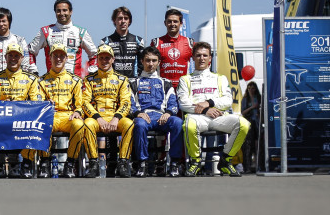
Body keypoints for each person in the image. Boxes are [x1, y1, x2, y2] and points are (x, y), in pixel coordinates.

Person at [176, 42, 250, 177]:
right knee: (188, 125)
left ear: (210, 58)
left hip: (219, 116)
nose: (201, 58)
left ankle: (226, 160)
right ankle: (195, 162)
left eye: (205, 55)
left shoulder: (220, 78)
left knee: (244, 124)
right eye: (198, 55)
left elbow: (227, 101)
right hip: (197, 117)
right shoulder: (185, 79)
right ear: (193, 58)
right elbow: (183, 103)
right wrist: (205, 110)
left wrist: (209, 103)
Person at [0, 43, 42, 178]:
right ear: (5, 57)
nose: (13, 59)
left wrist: (19, 106)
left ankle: (26, 164)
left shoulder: (31, 79)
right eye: (10, 55)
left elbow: (36, 103)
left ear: (22, 58)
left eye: (17, 56)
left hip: (23, 119)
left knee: (36, 127)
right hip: (1, 118)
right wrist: (3, 105)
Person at [36, 44, 92, 178]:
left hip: (68, 117)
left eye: (62, 56)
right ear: (50, 58)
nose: (58, 59)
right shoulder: (41, 81)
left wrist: (77, 112)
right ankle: (45, 162)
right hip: (50, 116)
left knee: (79, 125)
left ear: (66, 58)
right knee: (42, 124)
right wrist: (45, 105)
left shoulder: (75, 80)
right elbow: (38, 103)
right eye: (55, 55)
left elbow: (80, 104)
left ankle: (70, 163)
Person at [130, 46, 184, 177]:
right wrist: (138, 113)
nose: (151, 64)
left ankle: (174, 163)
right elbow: (129, 103)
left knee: (177, 122)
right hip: (143, 117)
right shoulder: (133, 82)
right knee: (139, 124)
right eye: (147, 60)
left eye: (154, 60)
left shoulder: (166, 83)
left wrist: (168, 113)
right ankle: (142, 164)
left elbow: (173, 103)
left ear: (159, 62)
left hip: (162, 117)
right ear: (142, 61)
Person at [82, 45, 133, 178]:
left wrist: (116, 118)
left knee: (129, 124)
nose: (104, 61)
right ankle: (93, 163)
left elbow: (126, 103)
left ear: (113, 59)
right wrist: (98, 118)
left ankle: (123, 163)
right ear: (97, 60)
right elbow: (85, 102)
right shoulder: (89, 80)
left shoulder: (122, 80)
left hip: (116, 118)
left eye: (107, 58)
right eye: (101, 58)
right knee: (87, 124)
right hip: (97, 119)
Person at [28, 0, 97, 77]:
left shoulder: (80, 32)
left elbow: (94, 54)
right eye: (58, 11)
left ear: (70, 12)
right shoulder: (46, 31)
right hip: (51, 81)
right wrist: (33, 71)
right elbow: (29, 51)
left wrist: (92, 73)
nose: (61, 13)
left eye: (65, 10)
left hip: (74, 81)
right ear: (55, 12)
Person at [0, 7, 35, 78]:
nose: (1, 24)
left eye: (4, 21)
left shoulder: (19, 40)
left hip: (16, 81)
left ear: (9, 22)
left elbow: (25, 64)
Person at [150, 8, 194, 90]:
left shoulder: (189, 42)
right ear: (165, 23)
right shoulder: (156, 42)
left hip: (183, 87)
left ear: (181, 23)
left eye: (175, 21)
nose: (172, 24)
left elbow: (201, 61)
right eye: (169, 21)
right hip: (163, 87)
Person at [101, 6, 145, 79]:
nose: (123, 21)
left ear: (129, 21)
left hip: (133, 81)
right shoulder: (106, 41)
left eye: (126, 18)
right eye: (120, 18)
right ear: (114, 20)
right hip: (113, 81)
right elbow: (100, 63)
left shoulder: (138, 40)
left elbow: (143, 64)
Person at [240, 81, 262, 173]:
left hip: (257, 122)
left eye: (253, 88)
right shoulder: (245, 99)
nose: (251, 90)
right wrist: (252, 107)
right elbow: (243, 112)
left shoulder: (259, 98)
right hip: (249, 123)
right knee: (248, 144)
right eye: (249, 88)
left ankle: (258, 164)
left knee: (258, 144)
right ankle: (248, 166)